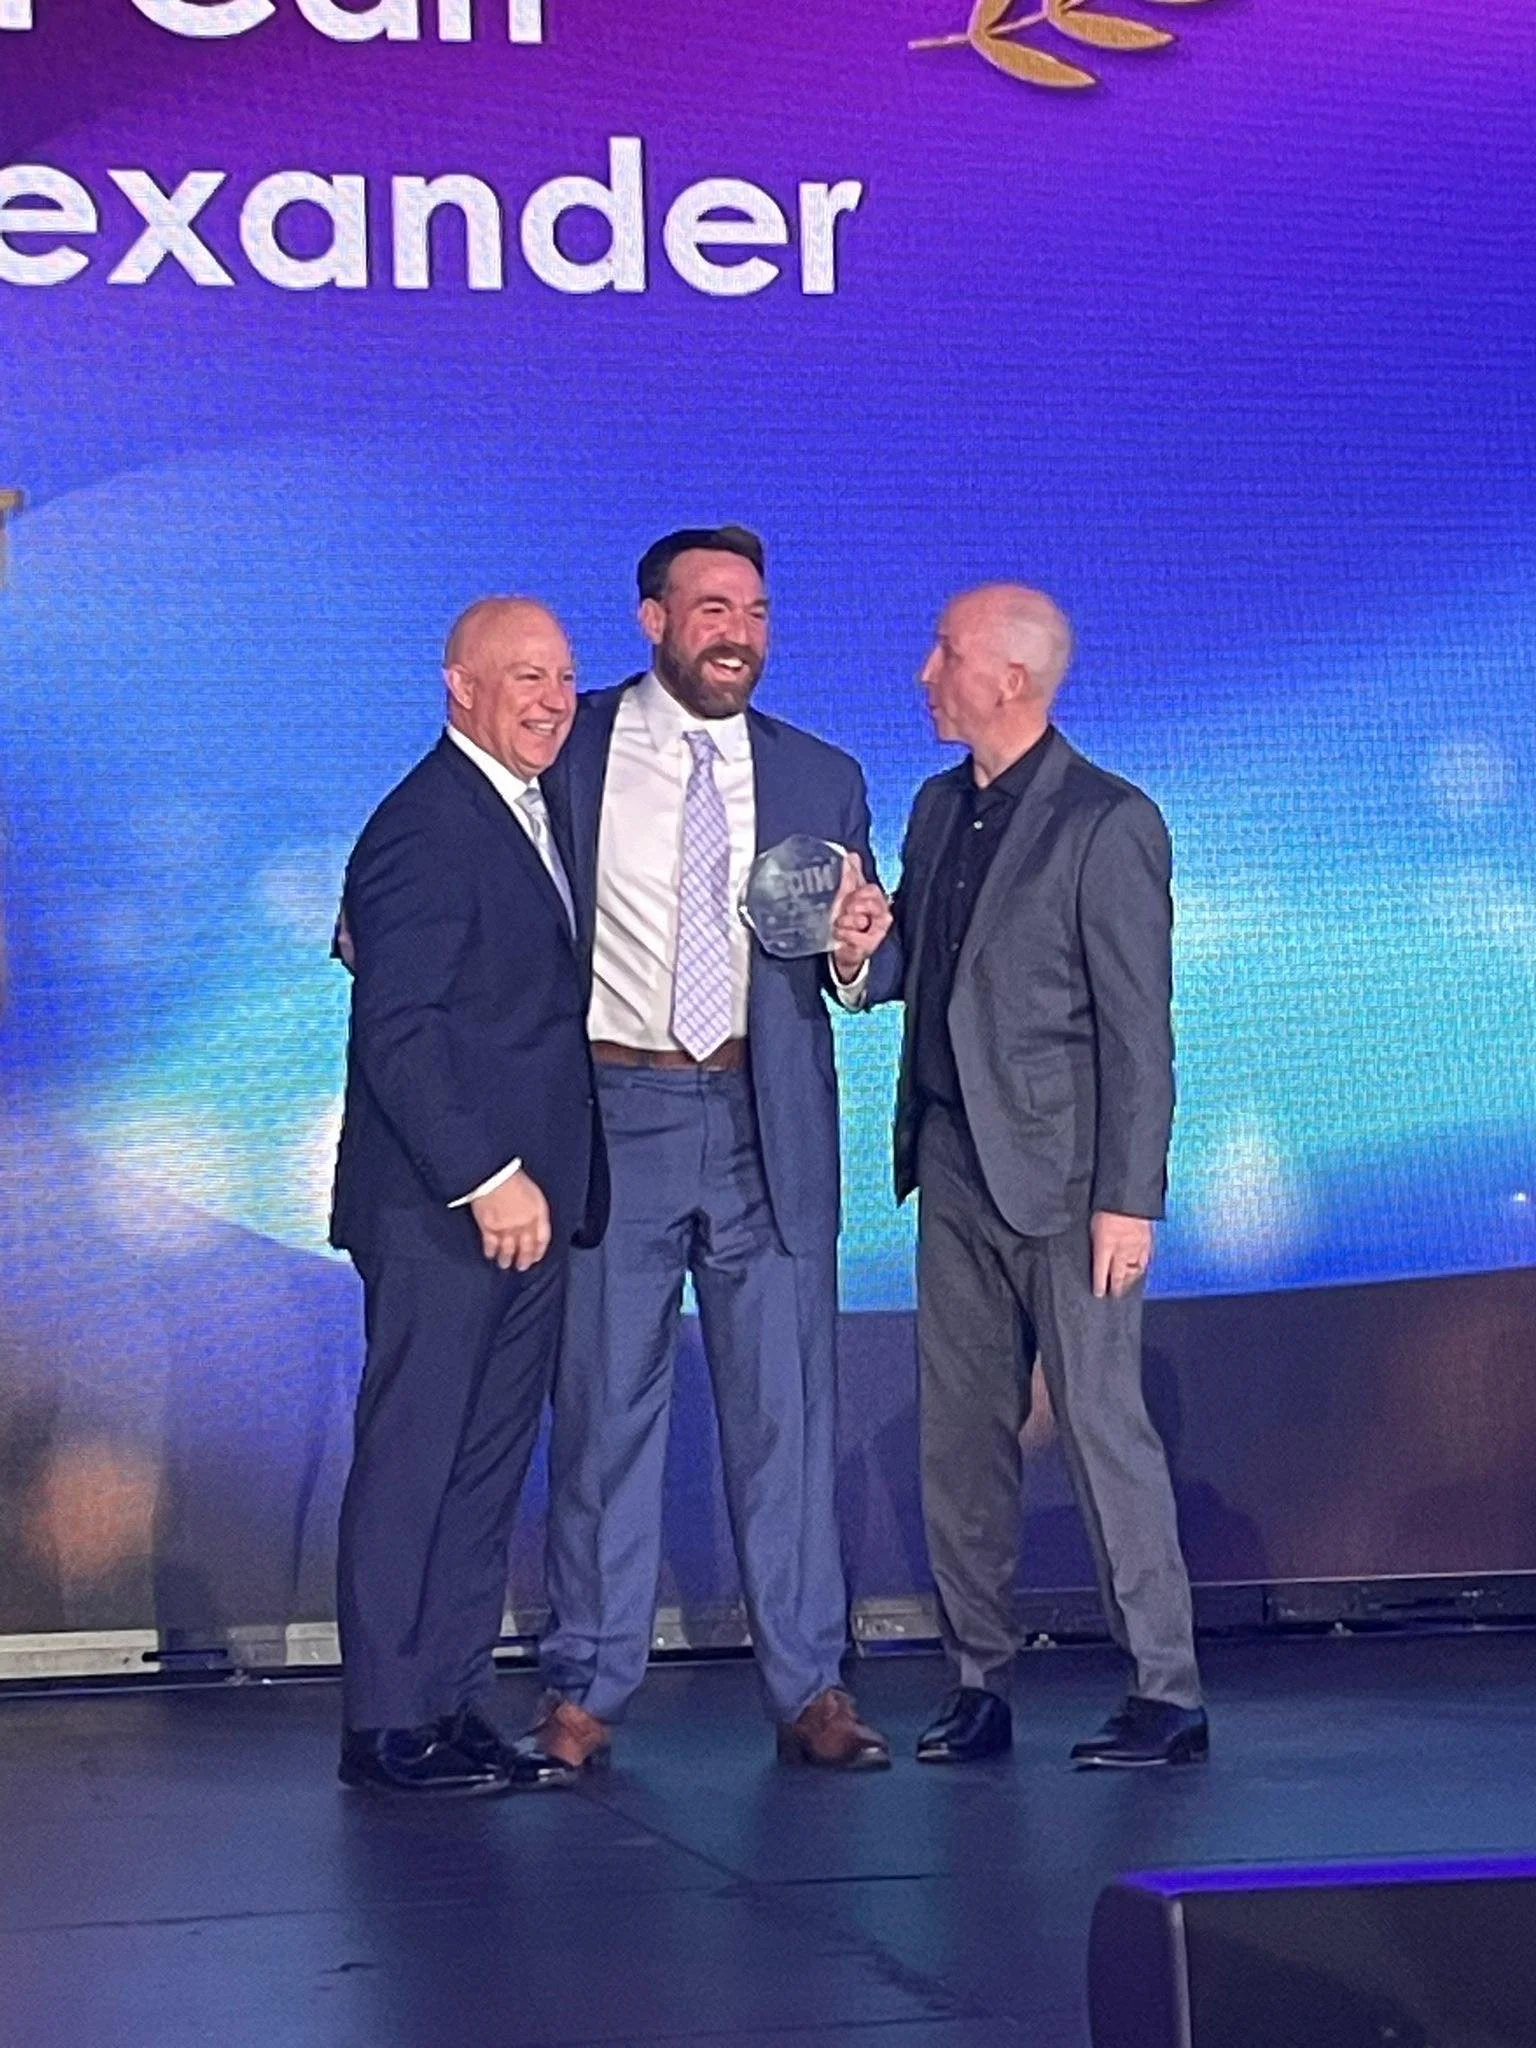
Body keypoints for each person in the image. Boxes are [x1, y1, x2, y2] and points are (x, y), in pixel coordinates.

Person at [530, 525, 897, 1772]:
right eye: (709, 608)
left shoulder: (821, 773)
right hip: (610, 1113)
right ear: (651, 619)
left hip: (763, 1121)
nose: (736, 631)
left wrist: (859, 943)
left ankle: (812, 1688)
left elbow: (869, 950)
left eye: (752, 609)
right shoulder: (569, 745)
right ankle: (586, 1684)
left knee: (786, 1414)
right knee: (602, 1414)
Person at [887, 583, 1206, 1770]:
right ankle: (978, 1680)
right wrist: (865, 948)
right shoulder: (933, 808)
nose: (926, 670)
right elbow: (923, 971)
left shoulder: (1107, 822)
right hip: (955, 1169)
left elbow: (1138, 1030)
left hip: (1070, 1186)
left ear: (1009, 678)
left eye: (945, 650)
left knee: (1101, 1425)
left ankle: (1166, 1689)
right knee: (959, 1438)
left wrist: (1132, 1193)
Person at [330, 597, 606, 1796]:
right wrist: (486, 1177)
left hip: (534, 1205)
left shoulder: (532, 808)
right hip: (446, 1207)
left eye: (562, 675)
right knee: (414, 1458)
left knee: (486, 1464)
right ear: (459, 685)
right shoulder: (425, 825)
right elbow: (399, 1030)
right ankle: (383, 1721)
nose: (551, 698)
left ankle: (446, 1700)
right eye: (524, 676)